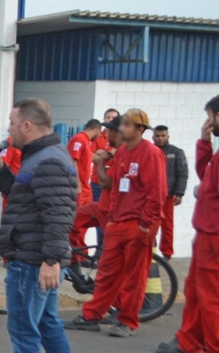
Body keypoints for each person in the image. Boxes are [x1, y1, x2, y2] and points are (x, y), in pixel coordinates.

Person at [0, 98, 79, 353]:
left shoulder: (48, 160)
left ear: (27, 125)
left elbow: (59, 215)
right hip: (36, 256)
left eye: (11, 123)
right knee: (48, 323)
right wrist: (1, 172)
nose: (8, 129)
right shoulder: (38, 158)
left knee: (23, 327)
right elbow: (25, 199)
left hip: (34, 260)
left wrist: (50, 260)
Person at [65, 109, 166, 338]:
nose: (122, 128)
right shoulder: (121, 153)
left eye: (128, 125)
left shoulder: (150, 153)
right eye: (123, 125)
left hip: (139, 224)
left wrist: (145, 225)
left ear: (140, 130)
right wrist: (110, 219)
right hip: (118, 222)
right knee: (107, 274)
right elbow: (112, 185)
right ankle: (92, 316)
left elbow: (156, 192)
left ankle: (128, 320)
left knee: (134, 276)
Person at [157, 96, 219, 353]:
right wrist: (204, 143)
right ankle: (190, 341)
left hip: (214, 234)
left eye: (211, 117)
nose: (208, 123)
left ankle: (215, 352)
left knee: (211, 295)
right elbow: (207, 178)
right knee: (195, 291)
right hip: (207, 232)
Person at [152, 124, 188, 259]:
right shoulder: (148, 151)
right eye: (157, 136)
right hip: (151, 196)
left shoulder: (177, 152)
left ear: (168, 136)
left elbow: (182, 174)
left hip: (168, 195)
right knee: (150, 224)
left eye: (163, 136)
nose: (160, 138)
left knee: (167, 225)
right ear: (153, 137)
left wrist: (179, 193)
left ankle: (167, 254)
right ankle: (151, 251)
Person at [66, 119, 102, 250]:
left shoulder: (85, 141)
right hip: (80, 189)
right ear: (97, 129)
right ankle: (77, 254)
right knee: (78, 222)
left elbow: (89, 157)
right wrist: (77, 185)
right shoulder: (79, 140)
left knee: (84, 222)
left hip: (85, 188)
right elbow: (73, 160)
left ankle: (81, 252)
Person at [90, 108, 120, 201]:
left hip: (113, 181)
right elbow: (89, 155)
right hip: (97, 180)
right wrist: (105, 155)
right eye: (108, 117)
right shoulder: (97, 136)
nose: (110, 119)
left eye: (113, 117)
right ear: (104, 118)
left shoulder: (120, 137)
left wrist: (99, 152)